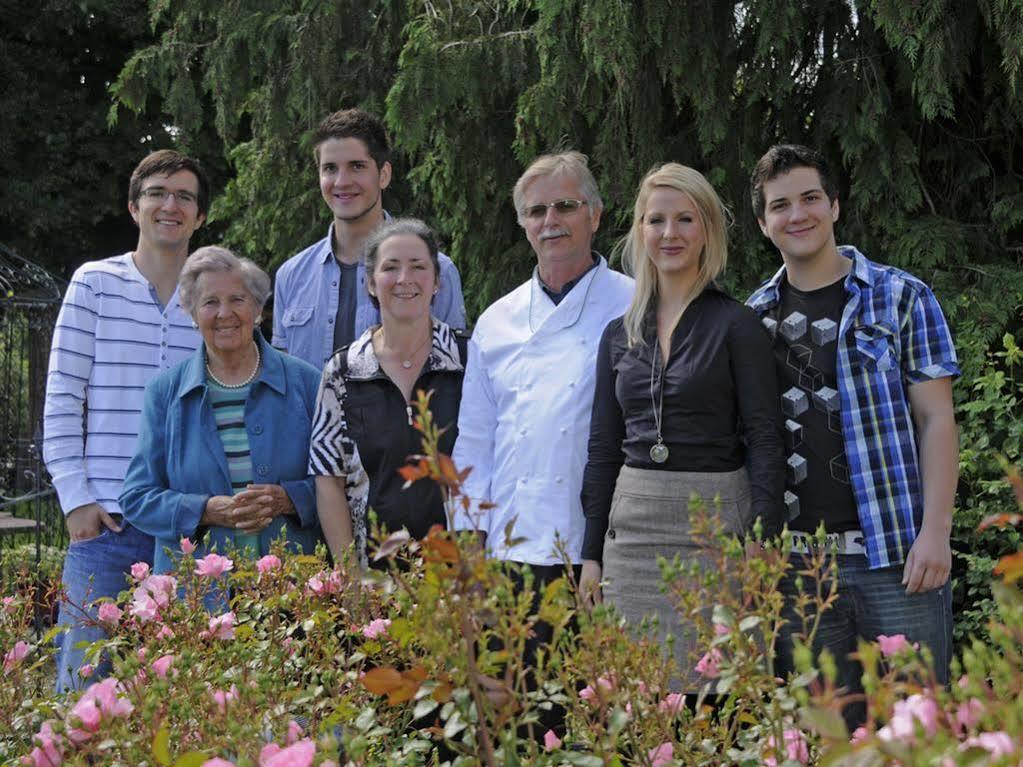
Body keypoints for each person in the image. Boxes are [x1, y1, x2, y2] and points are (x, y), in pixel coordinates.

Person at [746, 144, 959, 726]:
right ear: (764, 224)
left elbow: (937, 419)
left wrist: (935, 533)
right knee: (823, 739)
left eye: (811, 198)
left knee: (917, 736)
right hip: (797, 572)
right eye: (780, 205)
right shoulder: (752, 320)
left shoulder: (900, 296)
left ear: (835, 205)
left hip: (896, 559)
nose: (798, 215)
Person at [579, 163, 784, 690]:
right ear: (640, 231)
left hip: (719, 534)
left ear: (707, 230)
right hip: (632, 539)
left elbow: (765, 440)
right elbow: (603, 449)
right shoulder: (616, 335)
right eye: (656, 220)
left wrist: (763, 543)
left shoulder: (739, 326)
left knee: (718, 703)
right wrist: (590, 554)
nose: (670, 233)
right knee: (636, 701)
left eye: (685, 219)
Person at [43, 150, 210, 691]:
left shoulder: (214, 295)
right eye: (158, 192)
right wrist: (76, 499)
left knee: (188, 693)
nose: (171, 205)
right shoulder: (94, 283)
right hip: (106, 524)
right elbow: (64, 395)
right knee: (84, 690)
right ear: (134, 207)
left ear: (200, 216)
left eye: (185, 196)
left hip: (189, 528)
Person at [452, 149, 634, 616]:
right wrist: (470, 548)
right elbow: (474, 444)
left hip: (603, 552)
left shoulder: (635, 305)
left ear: (595, 215)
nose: (550, 220)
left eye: (565, 207)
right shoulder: (498, 319)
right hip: (510, 555)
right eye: (536, 211)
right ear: (524, 224)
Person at [119, 247, 322, 576]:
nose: (224, 313)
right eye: (210, 302)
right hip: (198, 597)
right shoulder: (165, 393)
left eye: (237, 300)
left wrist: (289, 499)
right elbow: (137, 497)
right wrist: (204, 510)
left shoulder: (306, 383)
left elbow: (338, 485)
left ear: (257, 309)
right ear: (192, 313)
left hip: (292, 590)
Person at [309, 218, 468, 568]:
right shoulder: (343, 370)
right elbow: (328, 480)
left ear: (437, 281)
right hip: (374, 580)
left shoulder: (469, 361)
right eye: (390, 267)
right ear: (370, 282)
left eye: (418, 267)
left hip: (459, 579)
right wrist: (351, 580)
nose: (404, 279)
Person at [273, 108, 466, 370]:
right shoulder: (291, 276)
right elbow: (285, 382)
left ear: (383, 175)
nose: (341, 181)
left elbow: (452, 376)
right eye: (330, 168)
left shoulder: (435, 271)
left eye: (357, 166)